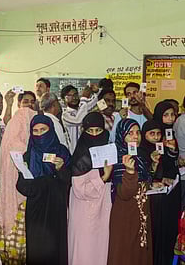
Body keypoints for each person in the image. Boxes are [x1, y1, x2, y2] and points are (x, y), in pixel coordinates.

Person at [16, 115, 71, 265]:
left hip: (56, 207)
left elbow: (69, 181)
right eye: (36, 131)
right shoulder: (28, 155)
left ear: (51, 130)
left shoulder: (62, 152)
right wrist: (26, 174)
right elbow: (21, 186)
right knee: (37, 249)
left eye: (43, 130)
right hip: (36, 210)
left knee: (56, 248)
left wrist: (61, 169)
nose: (40, 134)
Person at [0, 107, 36, 264]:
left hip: (6, 196)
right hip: (20, 197)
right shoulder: (21, 145)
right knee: (19, 243)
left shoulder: (9, 141)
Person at [68, 112, 113, 265]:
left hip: (103, 211)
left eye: (98, 131)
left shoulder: (109, 151)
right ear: (84, 132)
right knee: (85, 252)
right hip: (84, 213)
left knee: (100, 251)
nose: (94, 135)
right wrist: (103, 178)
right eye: (90, 131)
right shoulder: (81, 157)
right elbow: (80, 190)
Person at [107, 119, 153, 265]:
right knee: (126, 253)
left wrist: (154, 167)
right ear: (121, 136)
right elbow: (124, 193)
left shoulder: (139, 156)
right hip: (126, 215)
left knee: (139, 251)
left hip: (141, 214)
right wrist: (130, 171)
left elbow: (145, 182)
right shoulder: (119, 159)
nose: (135, 137)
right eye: (130, 133)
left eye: (138, 132)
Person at [152, 100, 181, 265]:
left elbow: (172, 161)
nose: (170, 118)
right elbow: (154, 165)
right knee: (159, 226)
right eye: (166, 115)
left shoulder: (172, 133)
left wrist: (173, 151)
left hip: (173, 186)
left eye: (172, 114)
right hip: (159, 189)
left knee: (171, 225)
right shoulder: (155, 132)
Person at [61, 85, 98, 153]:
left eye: (75, 94)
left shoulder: (82, 108)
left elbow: (94, 102)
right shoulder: (65, 115)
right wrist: (84, 98)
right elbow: (78, 120)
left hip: (87, 151)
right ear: (64, 100)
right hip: (74, 153)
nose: (74, 98)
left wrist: (96, 91)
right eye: (69, 95)